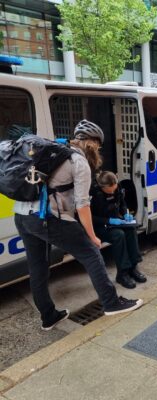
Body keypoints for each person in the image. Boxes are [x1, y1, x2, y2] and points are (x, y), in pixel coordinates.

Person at [14, 120, 143, 331]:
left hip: (22, 216)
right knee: (92, 253)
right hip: (48, 217)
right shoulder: (78, 161)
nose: (99, 150)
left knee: (37, 268)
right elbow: (83, 205)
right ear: (92, 143)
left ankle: (49, 317)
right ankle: (112, 303)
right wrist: (92, 236)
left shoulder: (55, 149)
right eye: (98, 146)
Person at [90, 171, 146, 289]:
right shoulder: (93, 192)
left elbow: (122, 203)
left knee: (131, 230)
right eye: (110, 190)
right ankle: (122, 273)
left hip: (116, 220)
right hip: (99, 225)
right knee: (118, 235)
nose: (113, 192)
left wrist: (126, 213)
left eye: (114, 189)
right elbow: (88, 217)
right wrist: (108, 221)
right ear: (102, 187)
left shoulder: (117, 186)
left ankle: (133, 268)